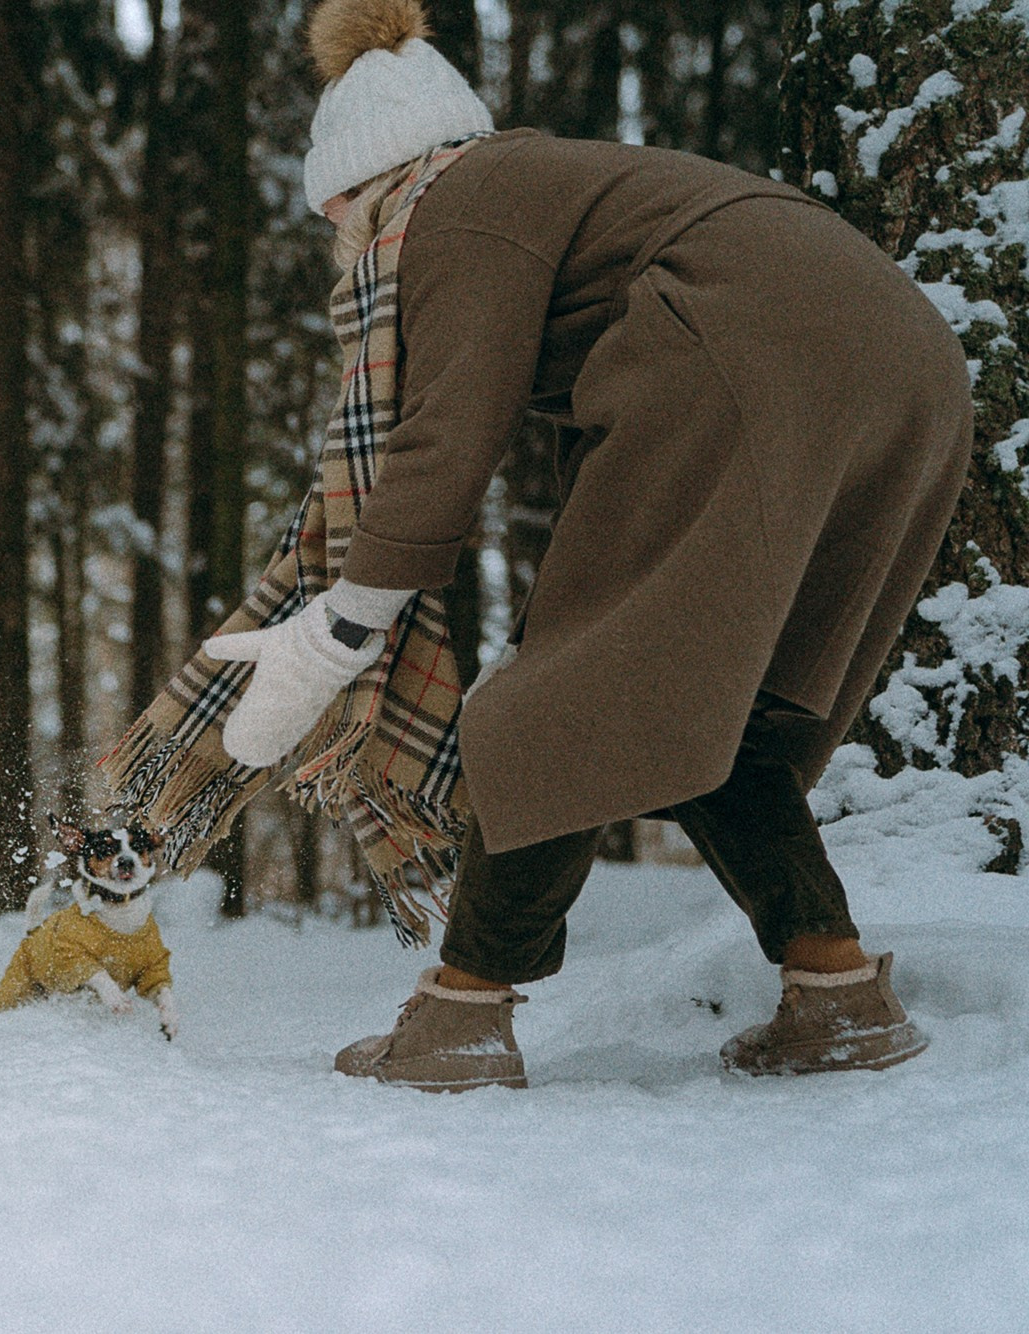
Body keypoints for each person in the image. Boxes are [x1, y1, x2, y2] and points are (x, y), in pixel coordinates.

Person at [207, 0, 973, 1090]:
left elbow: (444, 435)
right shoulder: (543, 184)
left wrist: (336, 628)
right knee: (711, 703)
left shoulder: (453, 202)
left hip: (753, 363)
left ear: (365, 179)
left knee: (561, 695)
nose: (344, 248)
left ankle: (462, 1012)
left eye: (336, 218)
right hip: (895, 368)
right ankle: (834, 990)